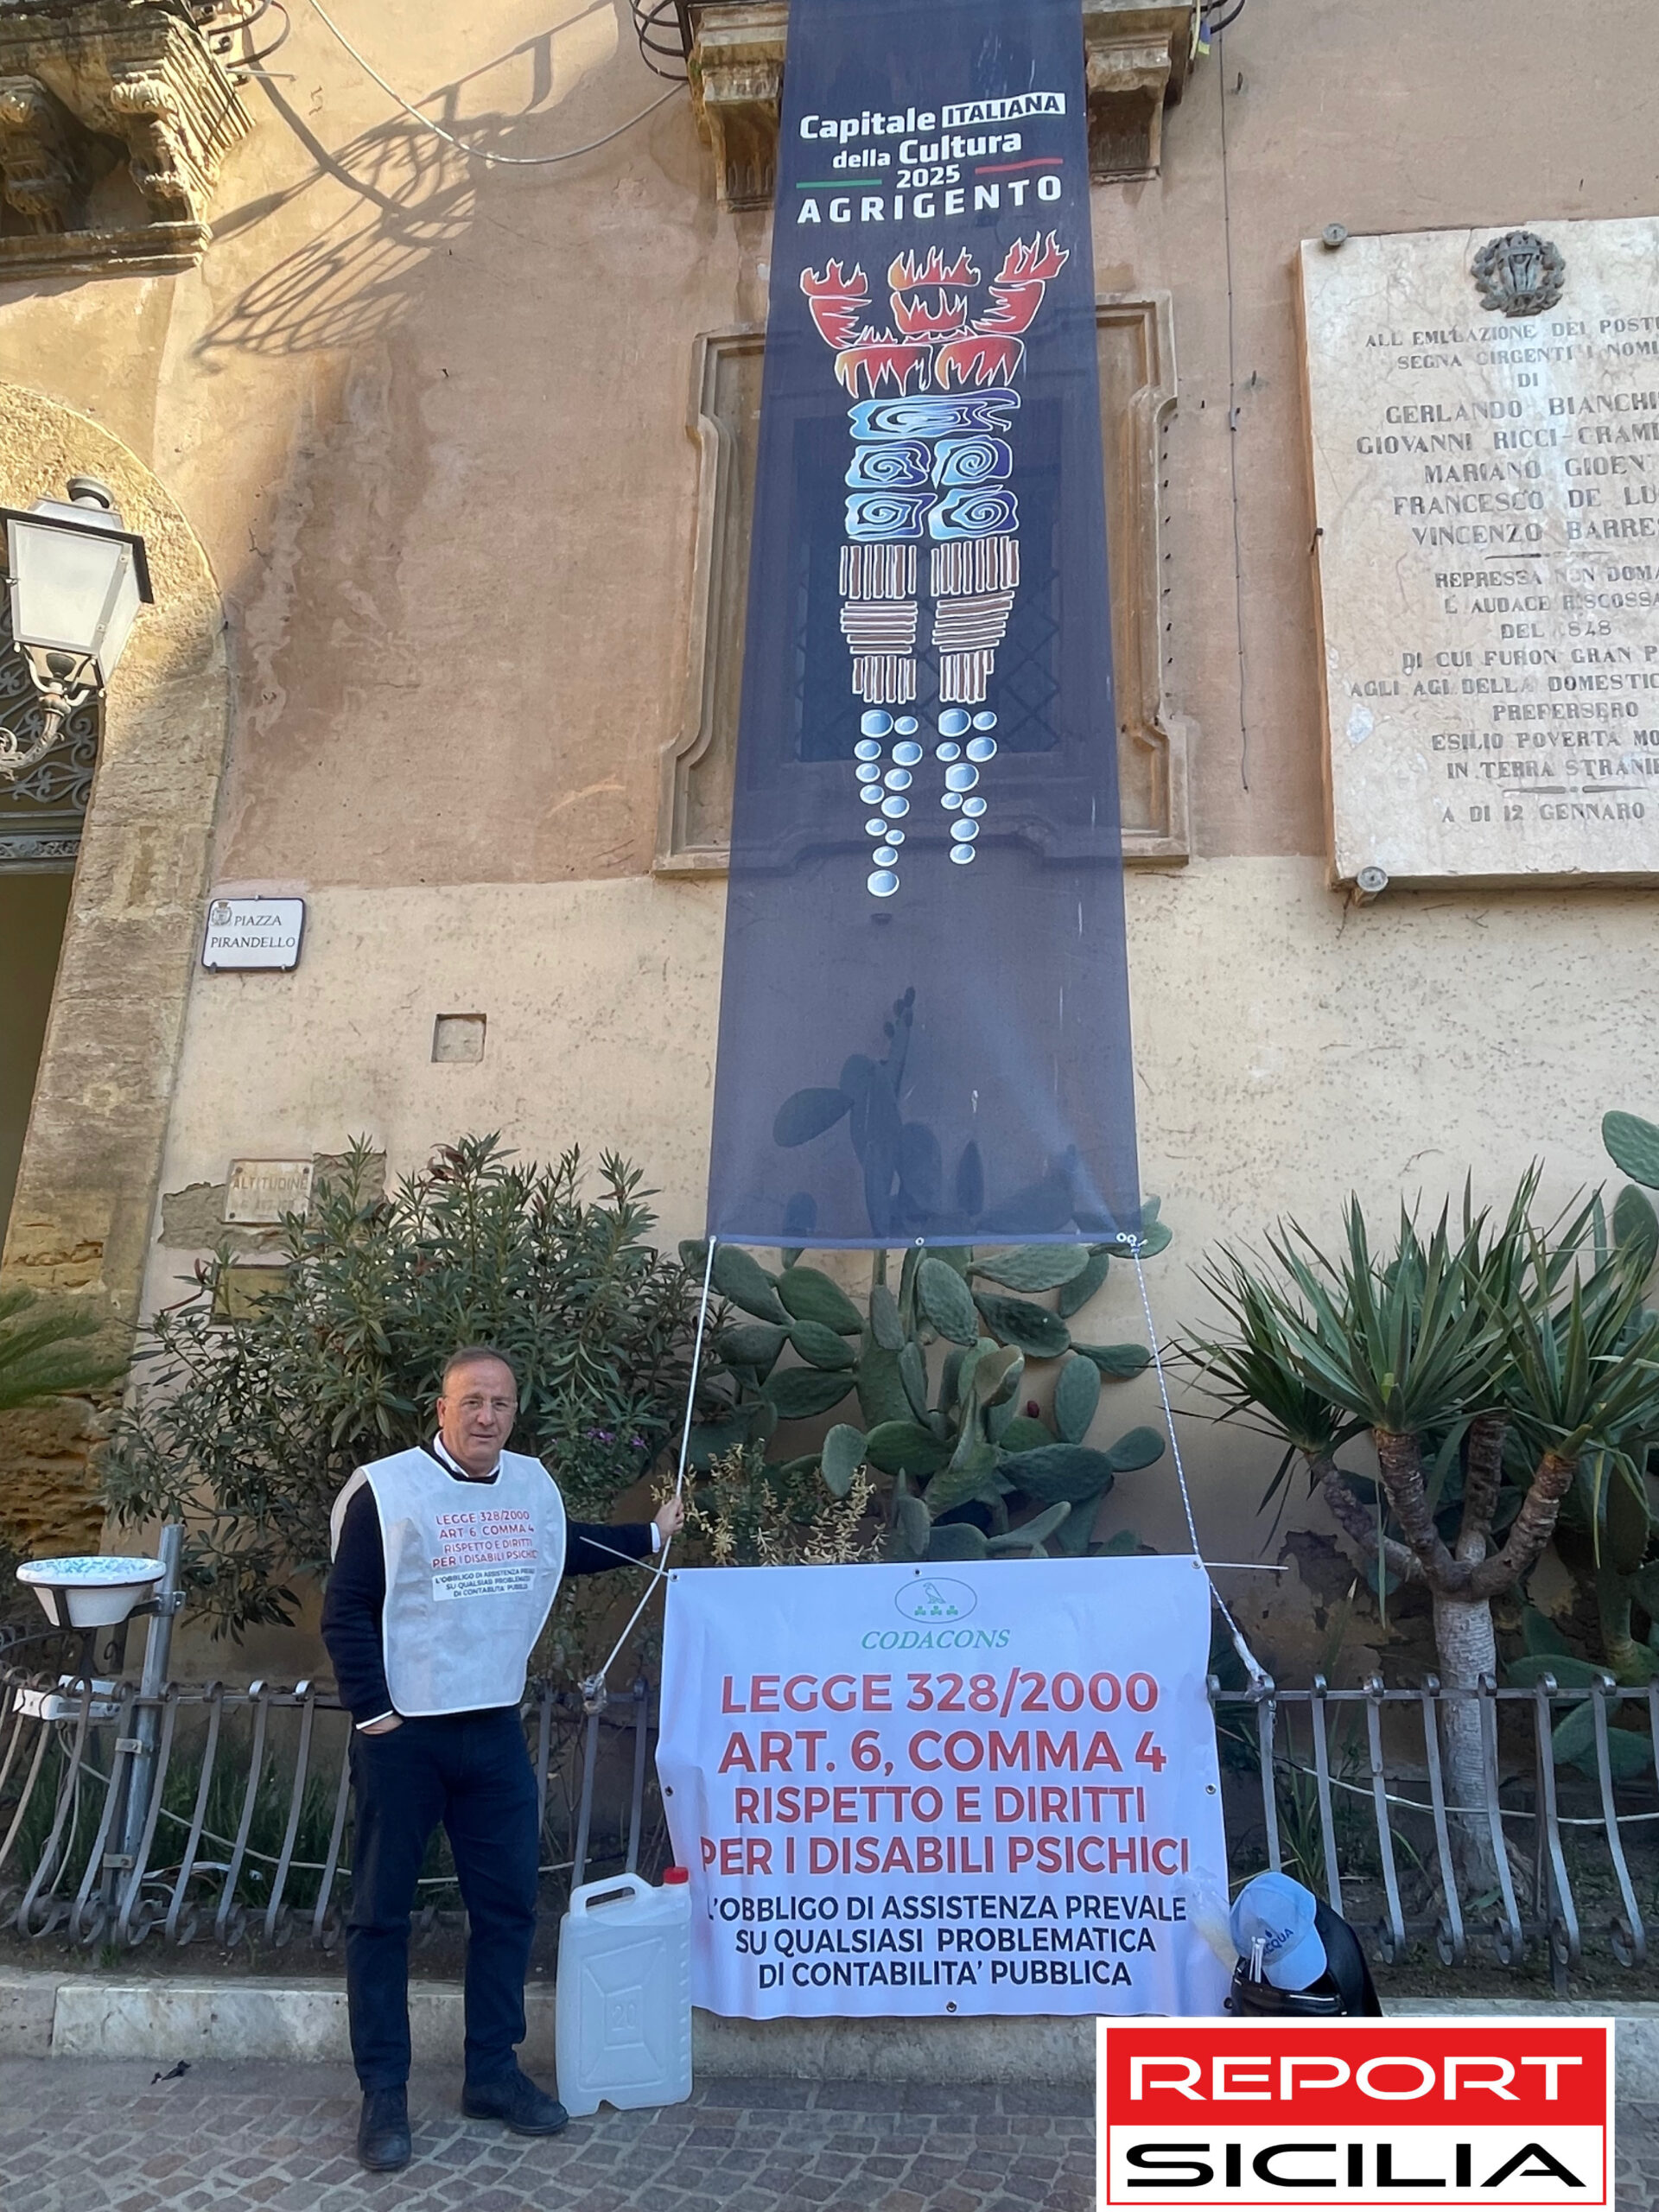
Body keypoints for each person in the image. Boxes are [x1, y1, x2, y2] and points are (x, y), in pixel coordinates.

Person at [321, 1343, 684, 2173]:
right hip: (403, 1736)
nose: (486, 1417)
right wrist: (376, 1715)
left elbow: (563, 1546)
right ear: (442, 1409)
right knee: (380, 1916)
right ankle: (384, 2093)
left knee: (509, 1907)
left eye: (501, 1404)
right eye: (472, 1401)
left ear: (514, 1414)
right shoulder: (387, 1490)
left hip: (491, 1730)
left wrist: (649, 1535)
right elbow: (346, 1611)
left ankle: (491, 2072)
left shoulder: (529, 1485)